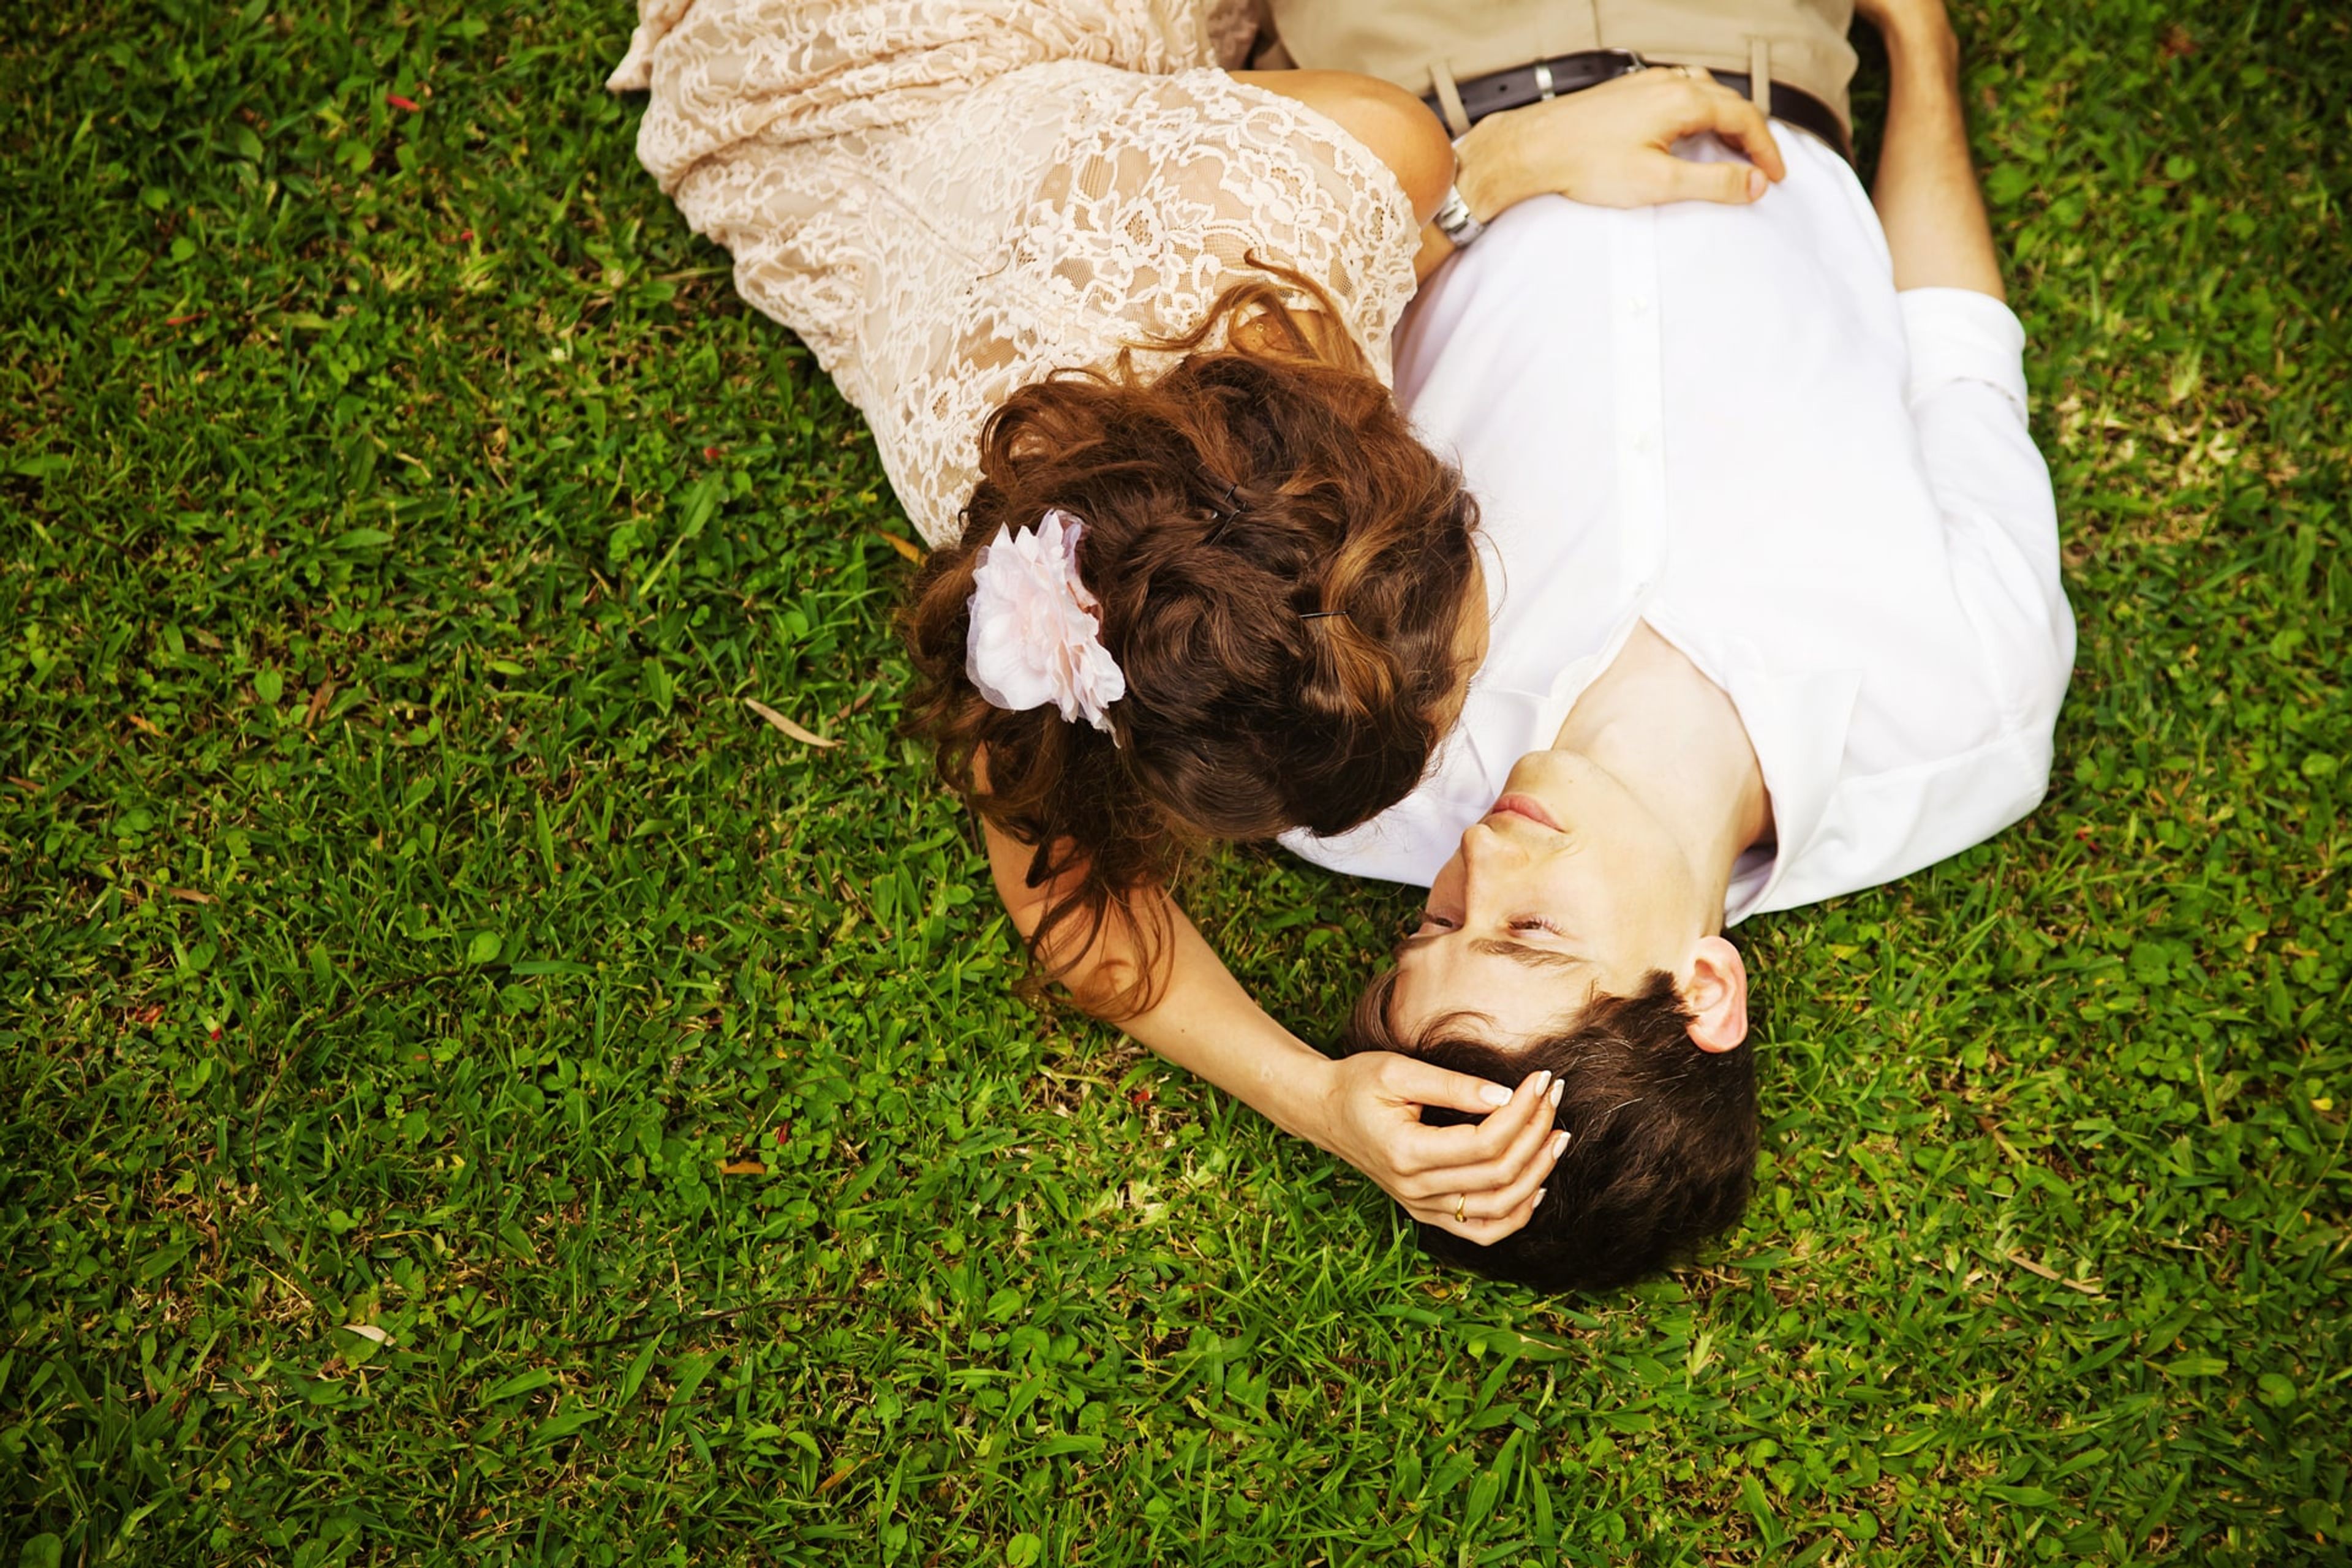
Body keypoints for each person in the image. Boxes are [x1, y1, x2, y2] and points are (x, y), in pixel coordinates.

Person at [609, 2, 1795, 1208]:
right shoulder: (1048, 564)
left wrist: (1492, 170)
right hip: (785, 124)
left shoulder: (1346, 164)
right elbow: (1072, 911)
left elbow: (1367, 216)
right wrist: (1306, 1094)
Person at [1288, 0, 2075, 1289]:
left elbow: (1297, 347)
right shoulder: (1973, 710)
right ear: (1705, 986)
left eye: (1435, 921)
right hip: (1754, 48)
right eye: (1529, 931)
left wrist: (1483, 176)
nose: (1479, 855)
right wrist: (1920, 48)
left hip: (1415, 69)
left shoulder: (1349, 754)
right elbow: (1958, 356)